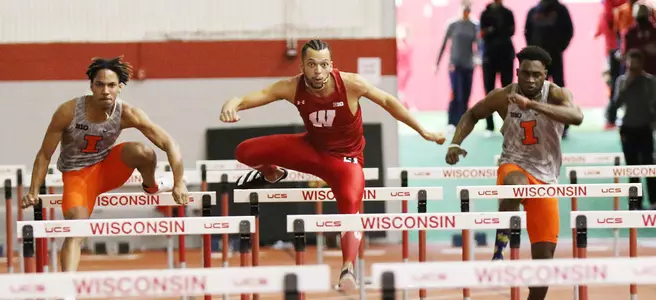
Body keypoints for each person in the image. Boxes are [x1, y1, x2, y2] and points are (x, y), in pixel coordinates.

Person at [220, 39, 446, 291]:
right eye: (312, 65)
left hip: (344, 160)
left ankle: (347, 268)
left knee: (351, 202)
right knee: (245, 150)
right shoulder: (292, 87)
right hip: (311, 150)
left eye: (323, 64)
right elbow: (262, 94)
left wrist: (423, 131)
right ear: (303, 66)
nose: (318, 71)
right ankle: (272, 173)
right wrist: (235, 102)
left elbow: (388, 102)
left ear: (331, 65)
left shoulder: (350, 84)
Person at [21, 56, 189, 273]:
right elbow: (45, 154)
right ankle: (66, 290)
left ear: (120, 87)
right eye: (100, 85)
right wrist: (34, 191)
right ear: (91, 86)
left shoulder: (127, 113)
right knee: (76, 227)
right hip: (78, 176)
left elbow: (169, 143)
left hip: (109, 168)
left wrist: (178, 183)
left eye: (111, 85)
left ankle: (152, 187)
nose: (105, 91)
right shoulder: (68, 111)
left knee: (142, 151)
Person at [445, 46, 583, 300]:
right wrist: (456, 143)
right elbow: (473, 114)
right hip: (514, 163)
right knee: (516, 184)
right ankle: (501, 245)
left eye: (536, 75)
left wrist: (532, 104)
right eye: (526, 74)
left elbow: (576, 117)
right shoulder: (504, 96)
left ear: (545, 75)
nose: (530, 80)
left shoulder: (556, 94)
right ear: (517, 72)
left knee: (544, 268)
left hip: (546, 177)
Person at [607, 49, 656, 209]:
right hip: (628, 128)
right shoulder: (621, 81)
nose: (633, 66)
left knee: (649, 165)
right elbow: (616, 103)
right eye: (630, 62)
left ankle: (654, 200)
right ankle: (635, 202)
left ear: (642, 64)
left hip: (645, 128)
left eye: (636, 62)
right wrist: (626, 85)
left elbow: (653, 103)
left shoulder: (650, 81)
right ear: (626, 63)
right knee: (632, 167)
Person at [524, 0, 574, 138]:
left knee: (558, 91)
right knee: (537, 91)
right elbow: (527, 32)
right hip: (538, 61)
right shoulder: (533, 11)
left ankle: (563, 125)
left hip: (555, 57)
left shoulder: (561, 10)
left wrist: (559, 48)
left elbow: (569, 31)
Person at [435, 3, 481, 133]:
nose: (466, 12)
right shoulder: (453, 24)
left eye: (468, 10)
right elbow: (444, 44)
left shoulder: (474, 25)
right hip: (455, 65)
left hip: (468, 65)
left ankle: (463, 121)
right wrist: (437, 63)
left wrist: (478, 59)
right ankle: (452, 121)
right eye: (464, 9)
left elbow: (478, 45)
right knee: (456, 93)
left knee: (466, 94)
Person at [479, 0, 516, 136]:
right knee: (489, 91)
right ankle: (489, 126)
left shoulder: (508, 13)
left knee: (508, 91)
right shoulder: (485, 13)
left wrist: (494, 31)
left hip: (506, 56)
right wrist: (493, 31)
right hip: (489, 57)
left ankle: (509, 123)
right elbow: (482, 33)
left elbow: (512, 31)